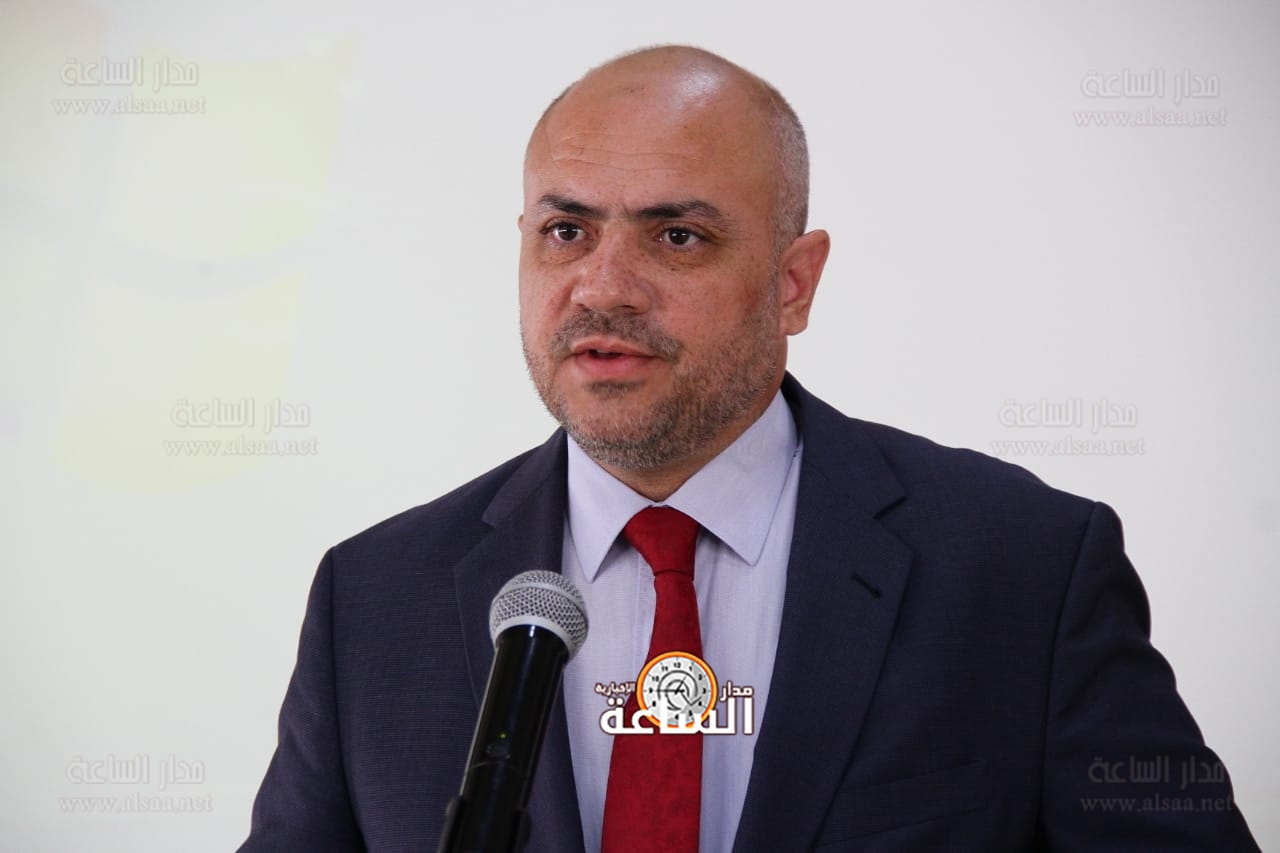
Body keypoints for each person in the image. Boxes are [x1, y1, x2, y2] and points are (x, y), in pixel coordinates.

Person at [239, 46, 1259, 852]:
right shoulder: (373, 602)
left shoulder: (1022, 569)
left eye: (676, 236)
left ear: (792, 283)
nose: (603, 286)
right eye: (566, 231)